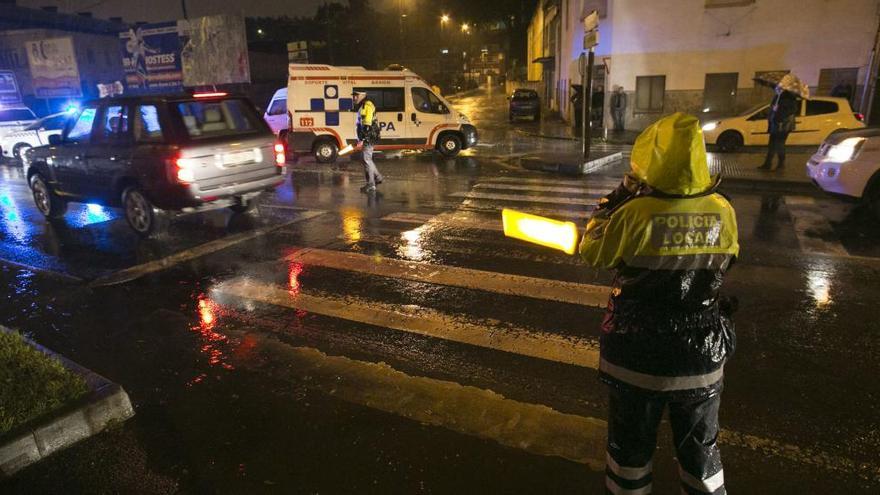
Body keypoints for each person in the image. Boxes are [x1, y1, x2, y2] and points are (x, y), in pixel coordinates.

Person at [579, 113, 739, 495]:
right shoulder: (723, 210)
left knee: (630, 452)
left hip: (637, 358)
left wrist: (613, 202)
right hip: (701, 357)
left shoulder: (635, 213)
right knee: (701, 453)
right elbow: (727, 263)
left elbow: (593, 252)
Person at [759, 77, 799, 171]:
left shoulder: (788, 96)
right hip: (776, 123)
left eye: (777, 86)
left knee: (780, 144)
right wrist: (773, 110)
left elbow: (791, 110)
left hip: (783, 124)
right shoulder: (779, 96)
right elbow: (774, 107)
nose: (775, 88)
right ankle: (767, 164)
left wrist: (779, 112)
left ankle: (781, 165)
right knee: (772, 144)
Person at [352, 90, 383, 193]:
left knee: (366, 159)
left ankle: (371, 184)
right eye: (353, 96)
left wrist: (363, 139)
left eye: (356, 96)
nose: (354, 98)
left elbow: (367, 125)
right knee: (367, 159)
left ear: (362, 95)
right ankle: (377, 178)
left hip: (369, 136)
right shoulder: (363, 106)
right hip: (369, 136)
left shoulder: (367, 105)